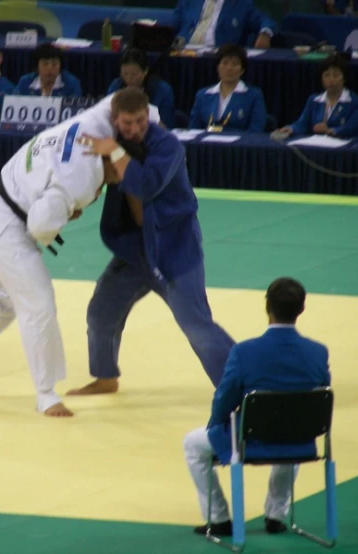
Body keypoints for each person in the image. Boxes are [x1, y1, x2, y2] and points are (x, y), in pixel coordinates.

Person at [0, 90, 158, 417]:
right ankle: (46, 395)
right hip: (6, 223)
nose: (121, 182)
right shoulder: (81, 178)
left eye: (139, 122)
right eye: (121, 174)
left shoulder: (102, 115)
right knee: (38, 302)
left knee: (9, 295)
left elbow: (138, 107)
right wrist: (64, 212)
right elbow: (40, 225)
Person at [66, 89, 235, 397]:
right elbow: (88, 179)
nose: (135, 129)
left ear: (149, 116)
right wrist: (68, 207)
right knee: (100, 313)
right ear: (115, 120)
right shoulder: (111, 143)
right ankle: (105, 377)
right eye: (128, 123)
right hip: (134, 251)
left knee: (195, 324)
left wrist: (115, 150)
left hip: (174, 249)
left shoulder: (167, 146)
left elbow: (145, 186)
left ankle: (240, 381)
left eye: (141, 121)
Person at [183, 277, 331, 537]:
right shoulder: (318, 352)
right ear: (302, 309)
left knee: (193, 445)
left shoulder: (244, 352)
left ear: (267, 307)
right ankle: (276, 515)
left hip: (250, 440)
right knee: (292, 426)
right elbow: (319, 395)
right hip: (301, 439)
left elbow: (225, 397)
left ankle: (218, 518)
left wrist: (216, 424)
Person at [279, 54, 358, 138]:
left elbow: (352, 128)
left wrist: (329, 131)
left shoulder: (357, 102)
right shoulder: (313, 100)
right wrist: (291, 129)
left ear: (344, 78)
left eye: (335, 75)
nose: (331, 79)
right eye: (326, 75)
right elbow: (302, 123)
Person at [189, 43, 267, 132]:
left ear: (242, 70)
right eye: (225, 63)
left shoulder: (253, 95)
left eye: (234, 64)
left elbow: (256, 129)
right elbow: (193, 128)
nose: (229, 68)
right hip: (207, 144)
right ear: (217, 67)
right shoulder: (202, 95)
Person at [106, 47, 175, 128]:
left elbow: (166, 127)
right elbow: (109, 117)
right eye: (125, 74)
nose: (129, 79)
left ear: (145, 71)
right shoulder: (116, 86)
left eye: (134, 75)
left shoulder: (163, 90)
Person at [169, 0, 276, 49]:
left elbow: (265, 20)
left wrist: (265, 33)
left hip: (218, 56)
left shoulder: (241, 4)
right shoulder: (188, 1)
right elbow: (172, 24)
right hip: (183, 52)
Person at [13, 43, 83, 98]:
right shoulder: (25, 82)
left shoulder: (72, 84)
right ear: (37, 67)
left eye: (54, 64)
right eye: (45, 64)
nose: (50, 68)